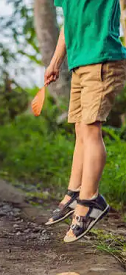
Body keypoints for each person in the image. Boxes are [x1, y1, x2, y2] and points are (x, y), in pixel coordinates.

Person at [44, 0, 126, 242]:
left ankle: (90, 201)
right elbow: (68, 25)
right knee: (81, 129)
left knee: (90, 130)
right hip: (80, 64)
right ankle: (75, 191)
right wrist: (55, 62)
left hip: (102, 59)